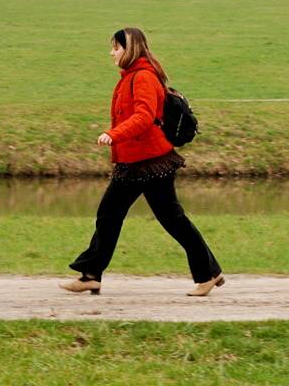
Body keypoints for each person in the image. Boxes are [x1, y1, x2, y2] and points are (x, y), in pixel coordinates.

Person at [60, 27, 224, 297]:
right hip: (139, 159)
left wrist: (113, 135)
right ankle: (208, 273)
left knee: (114, 214)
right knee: (162, 218)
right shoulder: (131, 76)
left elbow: (144, 117)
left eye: (116, 47)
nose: (111, 52)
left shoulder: (144, 77)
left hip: (147, 161)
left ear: (130, 49)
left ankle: (91, 275)